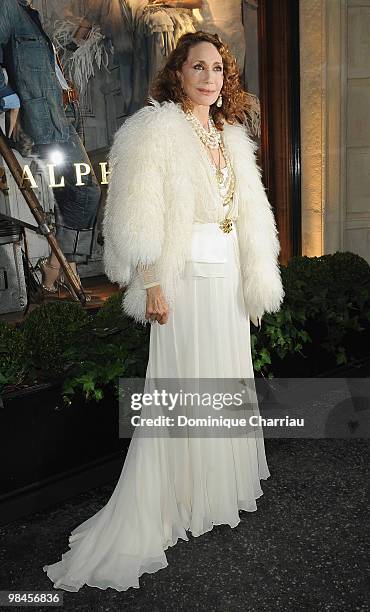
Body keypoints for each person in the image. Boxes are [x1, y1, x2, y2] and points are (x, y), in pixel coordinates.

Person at [42, 31, 284, 592]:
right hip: (182, 275)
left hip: (225, 276)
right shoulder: (154, 130)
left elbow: (249, 214)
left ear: (227, 81)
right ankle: (173, 498)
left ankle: (213, 493)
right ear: (178, 73)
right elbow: (135, 213)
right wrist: (150, 280)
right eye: (198, 67)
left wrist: (256, 279)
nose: (209, 77)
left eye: (218, 69)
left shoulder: (230, 135)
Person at [0, 0, 101, 294]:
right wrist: (6, 97)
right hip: (42, 124)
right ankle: (61, 266)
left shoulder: (28, 13)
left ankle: (59, 272)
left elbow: (43, 67)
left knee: (71, 197)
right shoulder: (8, 6)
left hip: (58, 117)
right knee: (88, 190)